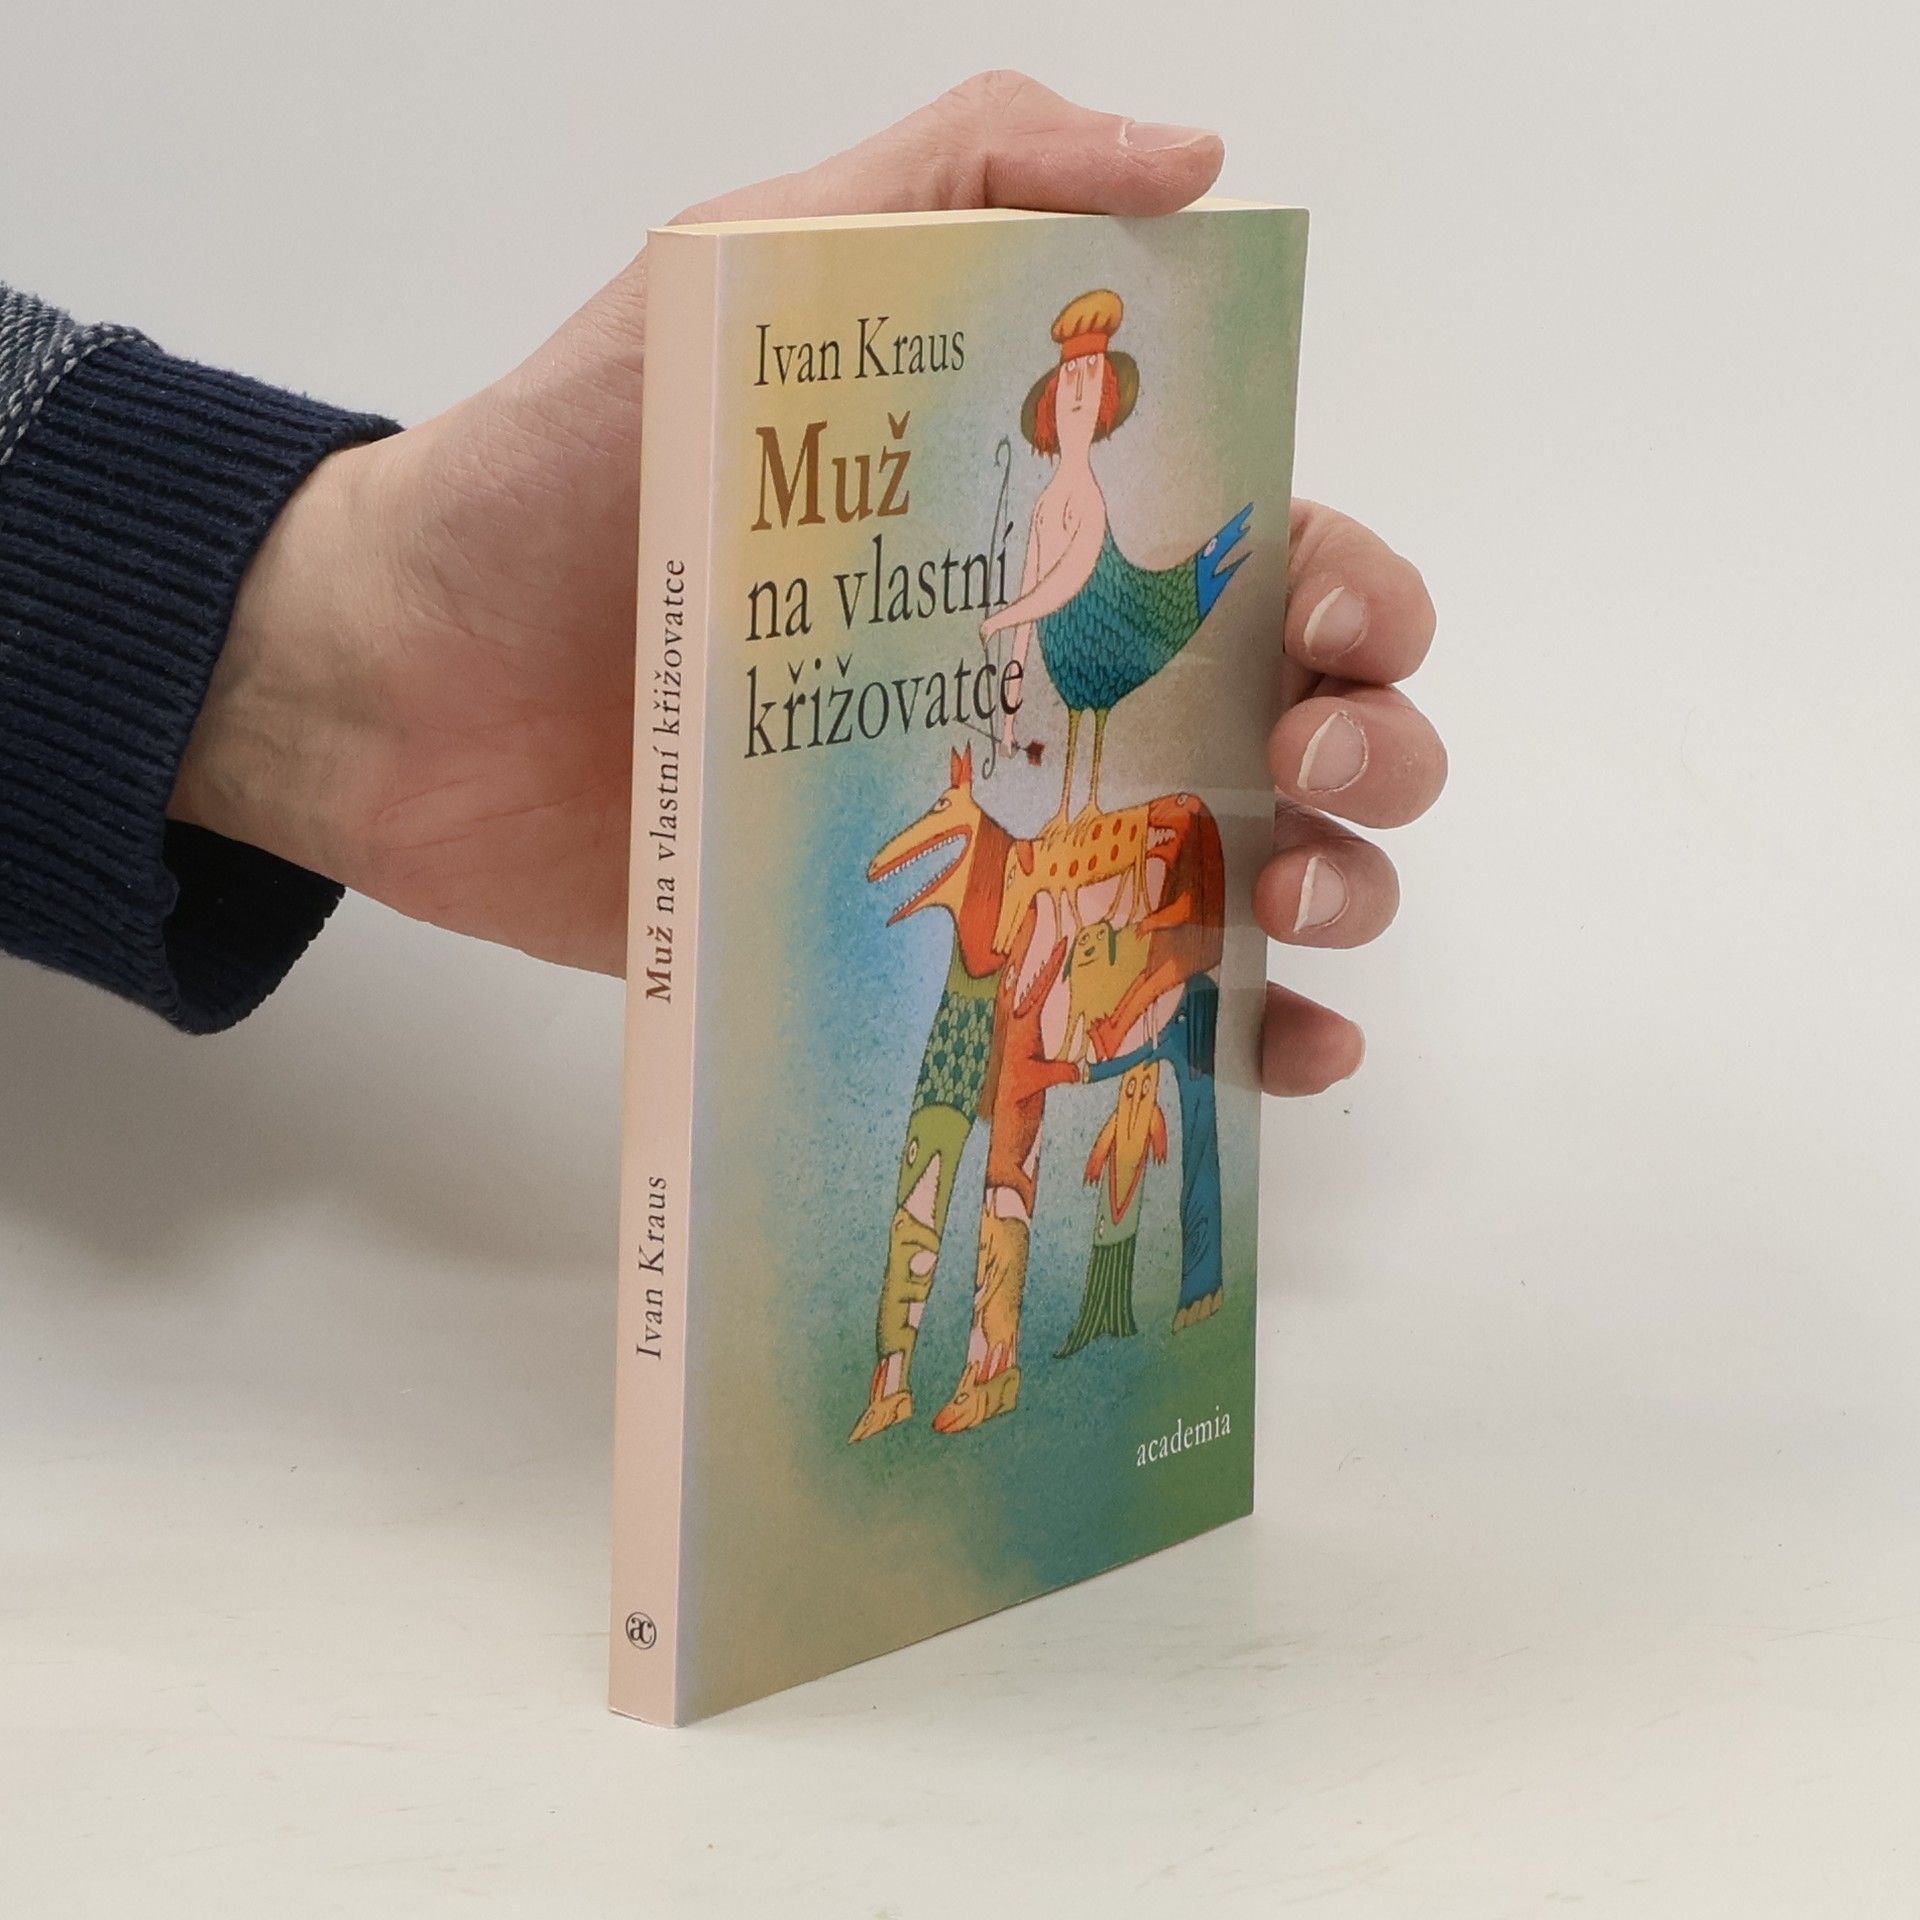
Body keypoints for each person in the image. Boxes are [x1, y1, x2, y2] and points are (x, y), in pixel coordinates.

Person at [0, 73, 1444, 1095]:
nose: (1071, 409)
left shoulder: (1077, 499)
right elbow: (1037, 592)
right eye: (1058, 396)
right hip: (1041, 657)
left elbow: (1057, 584)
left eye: (1087, 397)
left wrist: (326, 625)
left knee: (1115, 722)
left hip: (1067, 658)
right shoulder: (1051, 496)